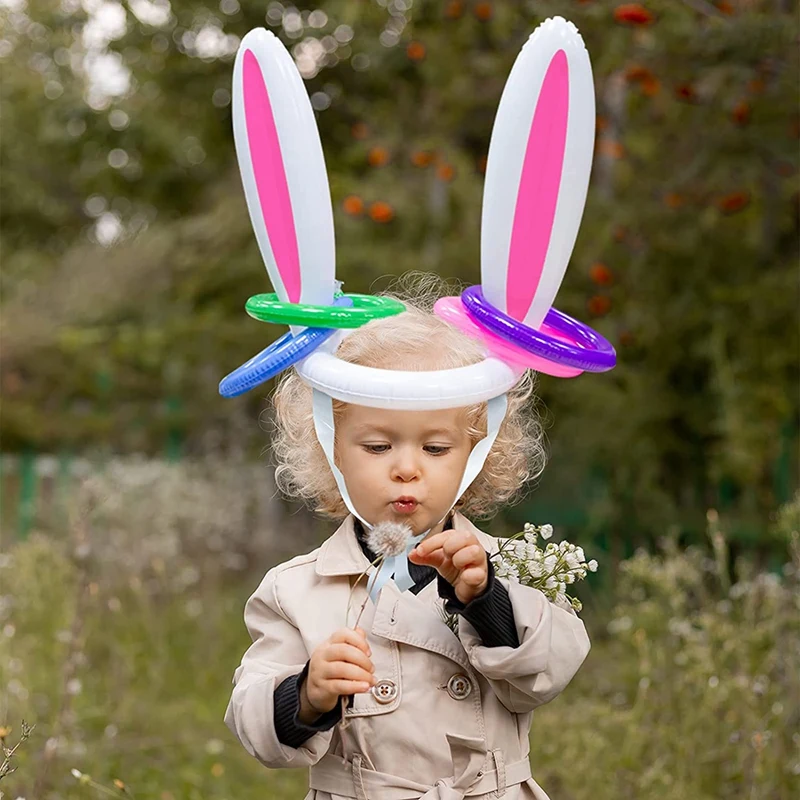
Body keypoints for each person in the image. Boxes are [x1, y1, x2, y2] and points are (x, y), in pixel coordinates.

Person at [224, 279, 592, 800]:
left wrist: (486, 601)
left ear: (478, 451)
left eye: (436, 448)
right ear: (330, 448)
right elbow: (252, 722)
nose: (406, 469)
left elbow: (551, 670)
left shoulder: (509, 566)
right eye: (377, 445)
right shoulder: (296, 590)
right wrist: (306, 695)